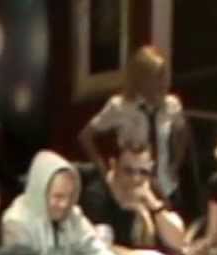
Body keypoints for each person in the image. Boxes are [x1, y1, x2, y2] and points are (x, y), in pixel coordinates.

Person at [2, 150, 126, 255]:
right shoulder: (16, 223)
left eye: (70, 196)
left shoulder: (73, 215)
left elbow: (99, 253)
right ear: (40, 191)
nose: (65, 204)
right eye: (58, 197)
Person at [79, 45, 188, 207]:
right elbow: (86, 136)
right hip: (134, 190)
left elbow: (182, 132)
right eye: (156, 78)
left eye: (164, 77)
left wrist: (176, 163)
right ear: (141, 79)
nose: (163, 84)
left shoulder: (172, 105)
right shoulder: (120, 106)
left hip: (167, 186)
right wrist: (103, 169)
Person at [79, 142, 186, 255]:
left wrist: (154, 205)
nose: (136, 179)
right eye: (128, 171)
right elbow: (100, 248)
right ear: (113, 164)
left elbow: (177, 242)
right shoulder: (97, 195)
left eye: (143, 172)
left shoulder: (149, 187)